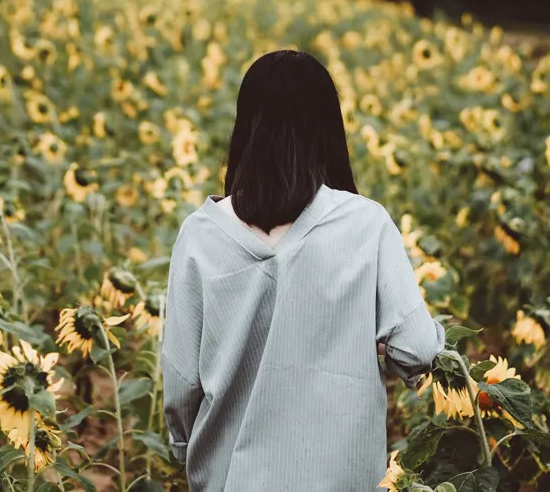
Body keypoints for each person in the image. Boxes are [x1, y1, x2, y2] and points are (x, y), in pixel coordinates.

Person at [161, 48, 446, 491]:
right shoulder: (366, 223)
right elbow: (417, 350)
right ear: (327, 130)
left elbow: (181, 381)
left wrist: (183, 449)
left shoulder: (201, 234)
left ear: (246, 127)